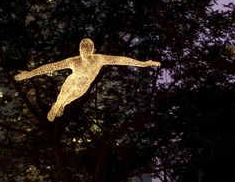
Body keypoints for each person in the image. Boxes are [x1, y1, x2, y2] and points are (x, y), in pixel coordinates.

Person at [15, 38, 161, 121]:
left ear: (92, 50)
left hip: (82, 86)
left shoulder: (99, 59)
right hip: (73, 80)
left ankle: (62, 105)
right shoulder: (73, 61)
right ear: (79, 50)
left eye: (88, 52)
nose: (85, 55)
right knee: (64, 94)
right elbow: (51, 67)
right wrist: (29, 74)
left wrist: (143, 64)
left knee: (70, 97)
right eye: (82, 52)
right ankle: (58, 105)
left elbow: (121, 60)